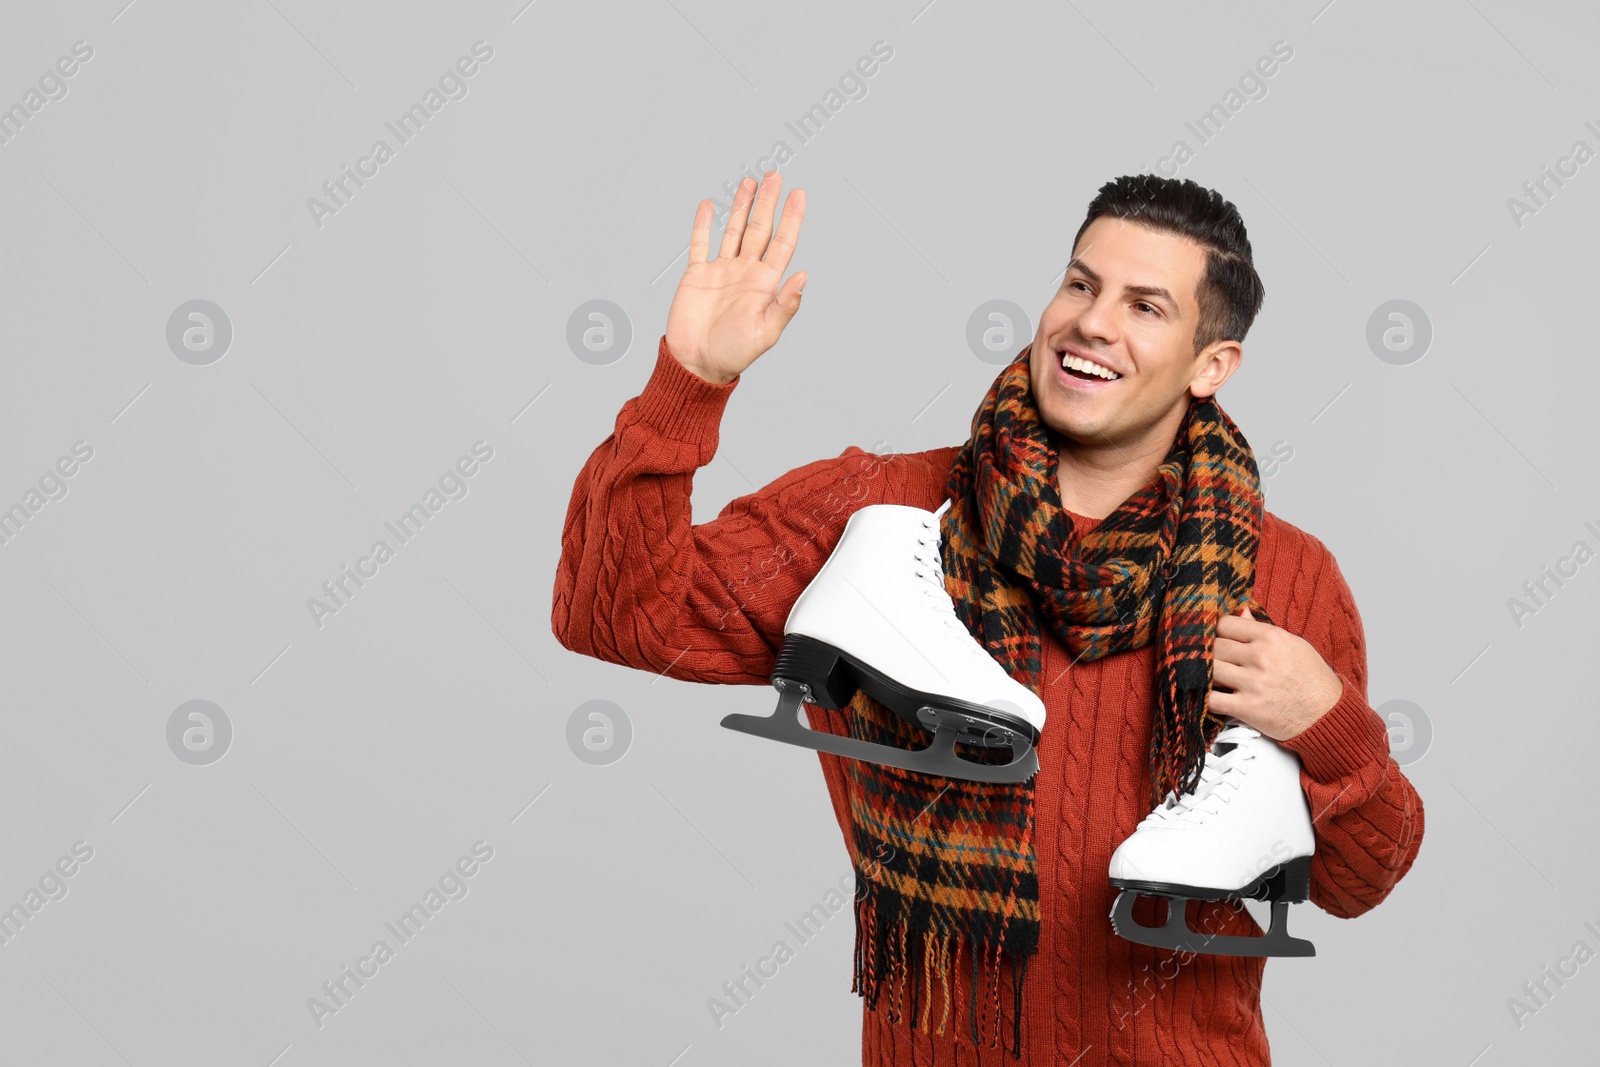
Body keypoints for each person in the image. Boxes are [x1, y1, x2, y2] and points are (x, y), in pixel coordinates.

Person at [551, 170, 1424, 1065]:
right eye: (1081, 284)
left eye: (1146, 306)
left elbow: (1362, 878)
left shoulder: (1288, 573)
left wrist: (1332, 726)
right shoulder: (882, 516)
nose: (1092, 320)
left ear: (1212, 364)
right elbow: (616, 615)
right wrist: (691, 380)